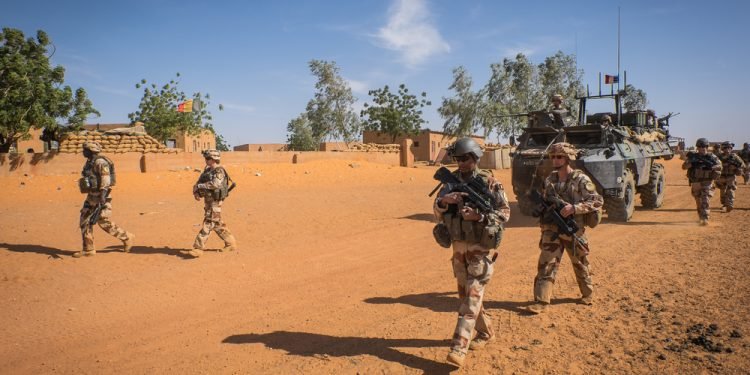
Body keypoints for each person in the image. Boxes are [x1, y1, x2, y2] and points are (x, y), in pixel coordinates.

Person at [433, 138, 510, 368]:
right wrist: (444, 202)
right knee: (466, 296)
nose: (461, 163)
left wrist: (479, 216)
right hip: (458, 248)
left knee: (470, 300)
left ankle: (459, 347)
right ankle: (486, 333)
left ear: (475, 158)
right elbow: (436, 213)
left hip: (479, 248)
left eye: (465, 158)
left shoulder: (490, 182)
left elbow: (505, 213)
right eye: (457, 159)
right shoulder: (450, 183)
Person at [527, 142, 603, 314]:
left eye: (559, 156)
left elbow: (597, 200)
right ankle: (541, 301)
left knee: (580, 262)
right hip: (552, 228)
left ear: (568, 158)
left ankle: (587, 294)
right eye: (553, 156)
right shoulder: (550, 180)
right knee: (546, 263)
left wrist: (574, 208)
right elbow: (547, 200)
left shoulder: (580, 179)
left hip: (573, 229)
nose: (555, 160)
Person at [76, 142, 134, 258]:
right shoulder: (90, 162)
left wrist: (102, 196)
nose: (83, 152)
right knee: (85, 220)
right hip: (92, 196)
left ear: (91, 151)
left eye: (85, 150)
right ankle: (88, 249)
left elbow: (106, 179)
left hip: (101, 196)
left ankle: (126, 237)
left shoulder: (100, 162)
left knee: (101, 221)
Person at [185, 149, 237, 258]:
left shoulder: (219, 171)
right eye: (205, 158)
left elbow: (215, 184)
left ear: (214, 159)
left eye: (207, 158)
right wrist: (196, 191)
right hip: (208, 201)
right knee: (217, 224)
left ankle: (198, 248)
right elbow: (199, 182)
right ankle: (231, 243)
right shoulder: (207, 171)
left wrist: (200, 187)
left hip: (215, 201)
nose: (206, 160)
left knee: (208, 222)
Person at [682, 138, 722, 225]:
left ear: (707, 147)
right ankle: (701, 217)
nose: (702, 148)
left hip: (707, 182)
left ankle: (705, 218)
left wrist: (712, 167)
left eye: (704, 146)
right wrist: (692, 163)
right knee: (698, 201)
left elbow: (719, 166)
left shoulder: (712, 157)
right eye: (700, 146)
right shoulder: (693, 157)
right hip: (695, 182)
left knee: (705, 199)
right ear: (697, 147)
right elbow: (684, 167)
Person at [716, 141, 746, 212]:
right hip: (722, 177)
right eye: (725, 148)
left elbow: (743, 165)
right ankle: (724, 204)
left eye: (729, 148)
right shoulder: (719, 156)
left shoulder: (735, 157)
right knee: (722, 191)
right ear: (722, 149)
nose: (727, 150)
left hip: (731, 176)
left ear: (731, 148)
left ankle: (730, 205)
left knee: (730, 190)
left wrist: (735, 168)